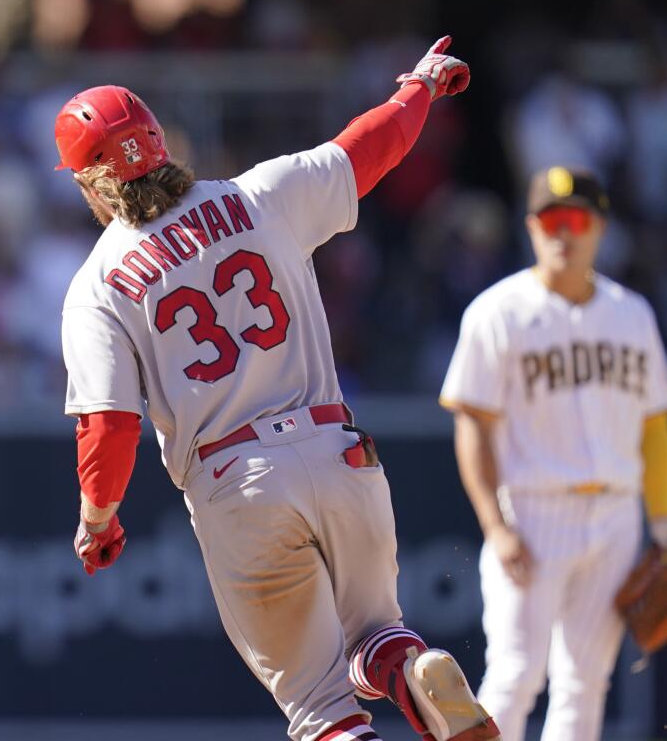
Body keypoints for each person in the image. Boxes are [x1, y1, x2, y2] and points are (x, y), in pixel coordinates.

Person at [56, 37, 500, 741]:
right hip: (336, 449)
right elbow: (369, 149)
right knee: (378, 636)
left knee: (321, 710)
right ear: (159, 144)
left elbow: (108, 427)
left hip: (238, 482)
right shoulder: (258, 195)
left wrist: (98, 519)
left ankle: (390, 681)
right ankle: (413, 669)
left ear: (87, 183)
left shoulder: (97, 286)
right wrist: (420, 85)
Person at [439, 166, 667, 741]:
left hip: (617, 516)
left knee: (585, 682)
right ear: (531, 227)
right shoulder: (497, 312)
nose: (562, 234)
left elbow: (655, 429)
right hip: (533, 513)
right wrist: (495, 526)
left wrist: (664, 530)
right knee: (516, 675)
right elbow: (471, 424)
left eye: (574, 221)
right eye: (549, 221)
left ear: (598, 228)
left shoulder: (632, 314)